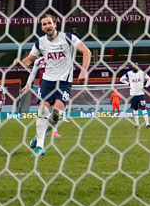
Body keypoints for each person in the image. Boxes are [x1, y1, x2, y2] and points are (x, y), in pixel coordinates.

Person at [13, 12, 91, 156]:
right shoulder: (40, 42)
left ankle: (38, 137)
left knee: (56, 115)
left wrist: (84, 71)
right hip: (48, 81)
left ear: (55, 24)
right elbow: (30, 59)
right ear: (41, 28)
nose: (47, 26)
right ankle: (40, 148)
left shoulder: (68, 37)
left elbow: (86, 52)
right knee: (43, 112)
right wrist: (20, 62)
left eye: (49, 23)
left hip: (64, 82)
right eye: (44, 24)